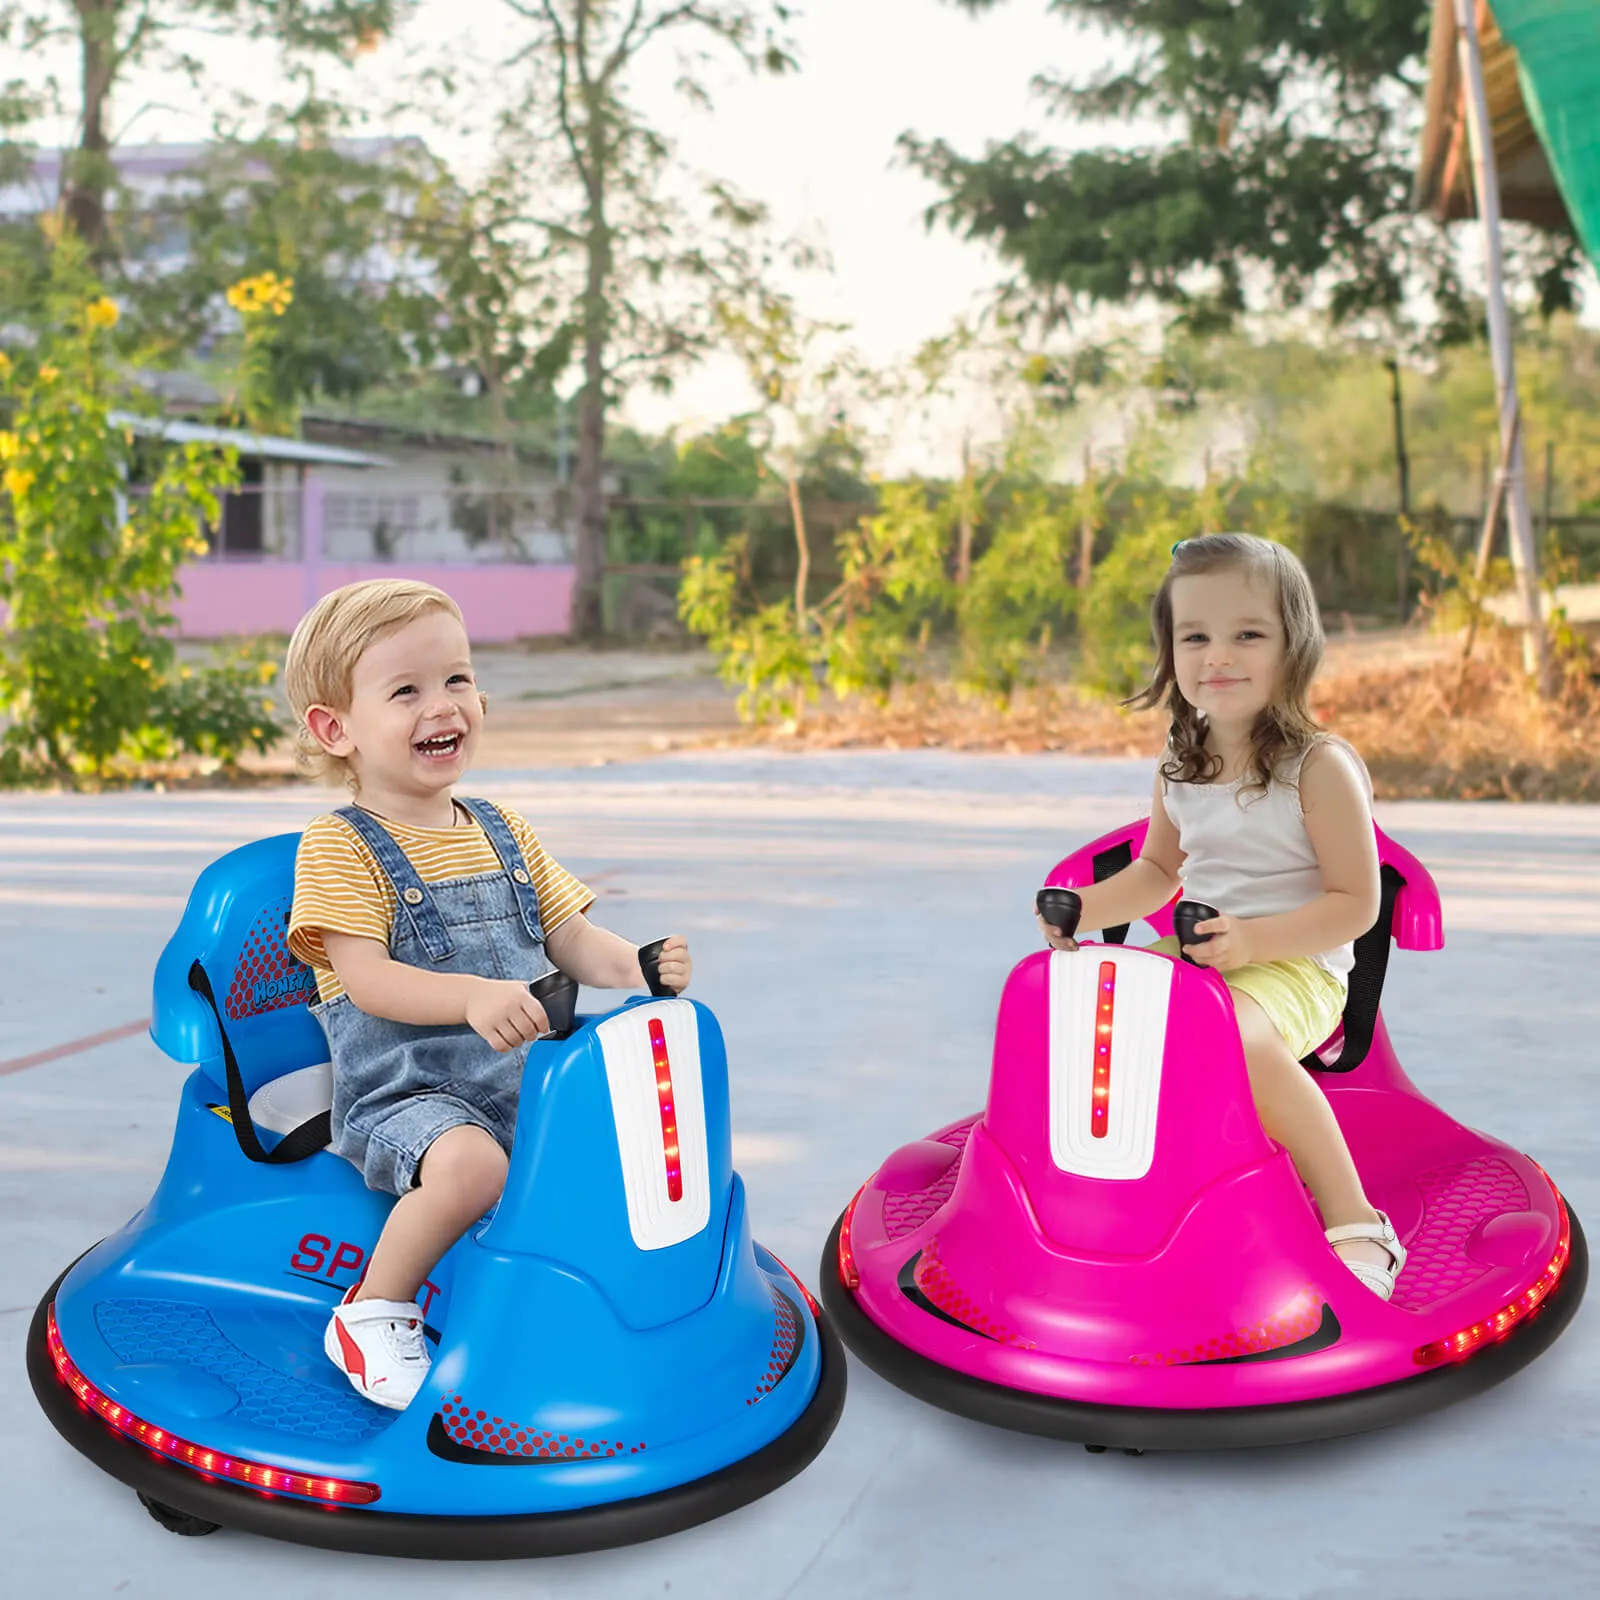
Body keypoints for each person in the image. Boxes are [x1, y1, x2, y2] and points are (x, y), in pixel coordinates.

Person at [284, 579, 693, 1408]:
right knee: (472, 1168)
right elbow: (365, 978)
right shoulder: (337, 846)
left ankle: (603, 1300)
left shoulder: (504, 829)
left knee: (627, 1138)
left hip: (521, 1079)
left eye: (457, 679)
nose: (444, 707)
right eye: (406, 691)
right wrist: (472, 995)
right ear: (336, 729)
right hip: (409, 1092)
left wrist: (634, 967)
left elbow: (570, 936)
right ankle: (372, 1311)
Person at [1038, 533, 1406, 1300]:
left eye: (1248, 634)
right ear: (1170, 650)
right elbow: (1157, 872)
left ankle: (1356, 1216)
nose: (1219, 656)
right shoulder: (1181, 753)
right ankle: (1106, 1198)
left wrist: (1252, 941)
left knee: (1223, 1031)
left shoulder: (1319, 766)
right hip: (1202, 957)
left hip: (1297, 966)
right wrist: (1084, 911)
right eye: (1195, 636)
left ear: (1293, 645)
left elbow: (1356, 905)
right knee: (1087, 1014)